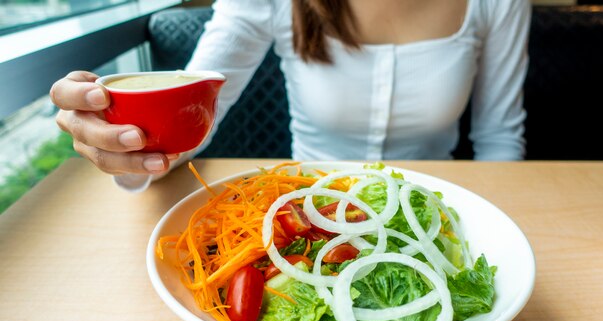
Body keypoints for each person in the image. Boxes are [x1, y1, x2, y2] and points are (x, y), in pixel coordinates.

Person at [50, 0, 530, 190]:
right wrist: (129, 146)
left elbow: (500, 140)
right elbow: (188, 113)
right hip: (304, 210)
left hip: (436, 207)